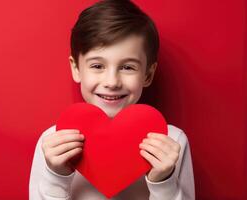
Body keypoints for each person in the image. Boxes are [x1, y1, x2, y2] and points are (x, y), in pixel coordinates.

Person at [29, 0, 195, 199]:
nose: (112, 82)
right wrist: (56, 176)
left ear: (148, 75)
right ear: (76, 69)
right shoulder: (53, 143)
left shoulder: (172, 142)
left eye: (127, 67)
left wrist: (163, 182)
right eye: (97, 66)